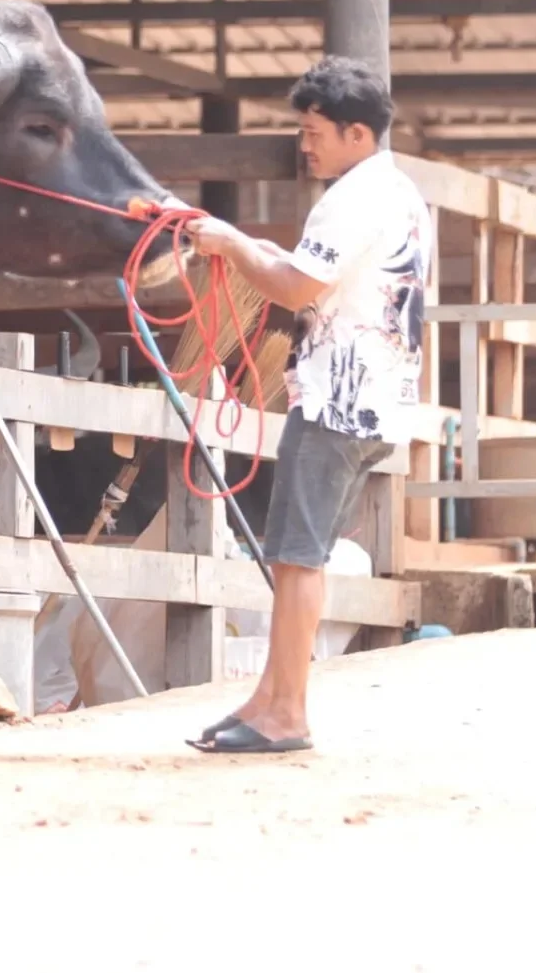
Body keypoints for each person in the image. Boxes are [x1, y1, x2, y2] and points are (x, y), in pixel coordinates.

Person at [182, 56, 429, 754]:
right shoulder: (398, 192)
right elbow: (308, 270)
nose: (305, 143)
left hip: (338, 398)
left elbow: (294, 287)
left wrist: (230, 243)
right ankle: (269, 698)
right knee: (295, 554)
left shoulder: (352, 196)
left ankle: (287, 710)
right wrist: (234, 239)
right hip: (367, 398)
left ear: (356, 133)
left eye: (315, 131)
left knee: (298, 556)